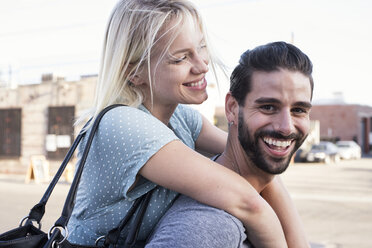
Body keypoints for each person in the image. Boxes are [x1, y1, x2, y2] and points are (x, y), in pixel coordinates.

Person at [67, 1, 292, 247]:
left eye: (201, 47)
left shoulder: (179, 117)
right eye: (181, 58)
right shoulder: (123, 124)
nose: (202, 65)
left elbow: (252, 159)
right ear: (135, 72)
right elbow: (247, 203)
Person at [146, 41, 314, 248]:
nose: (286, 127)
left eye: (298, 110)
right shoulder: (211, 227)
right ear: (232, 108)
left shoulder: (266, 196)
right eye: (268, 107)